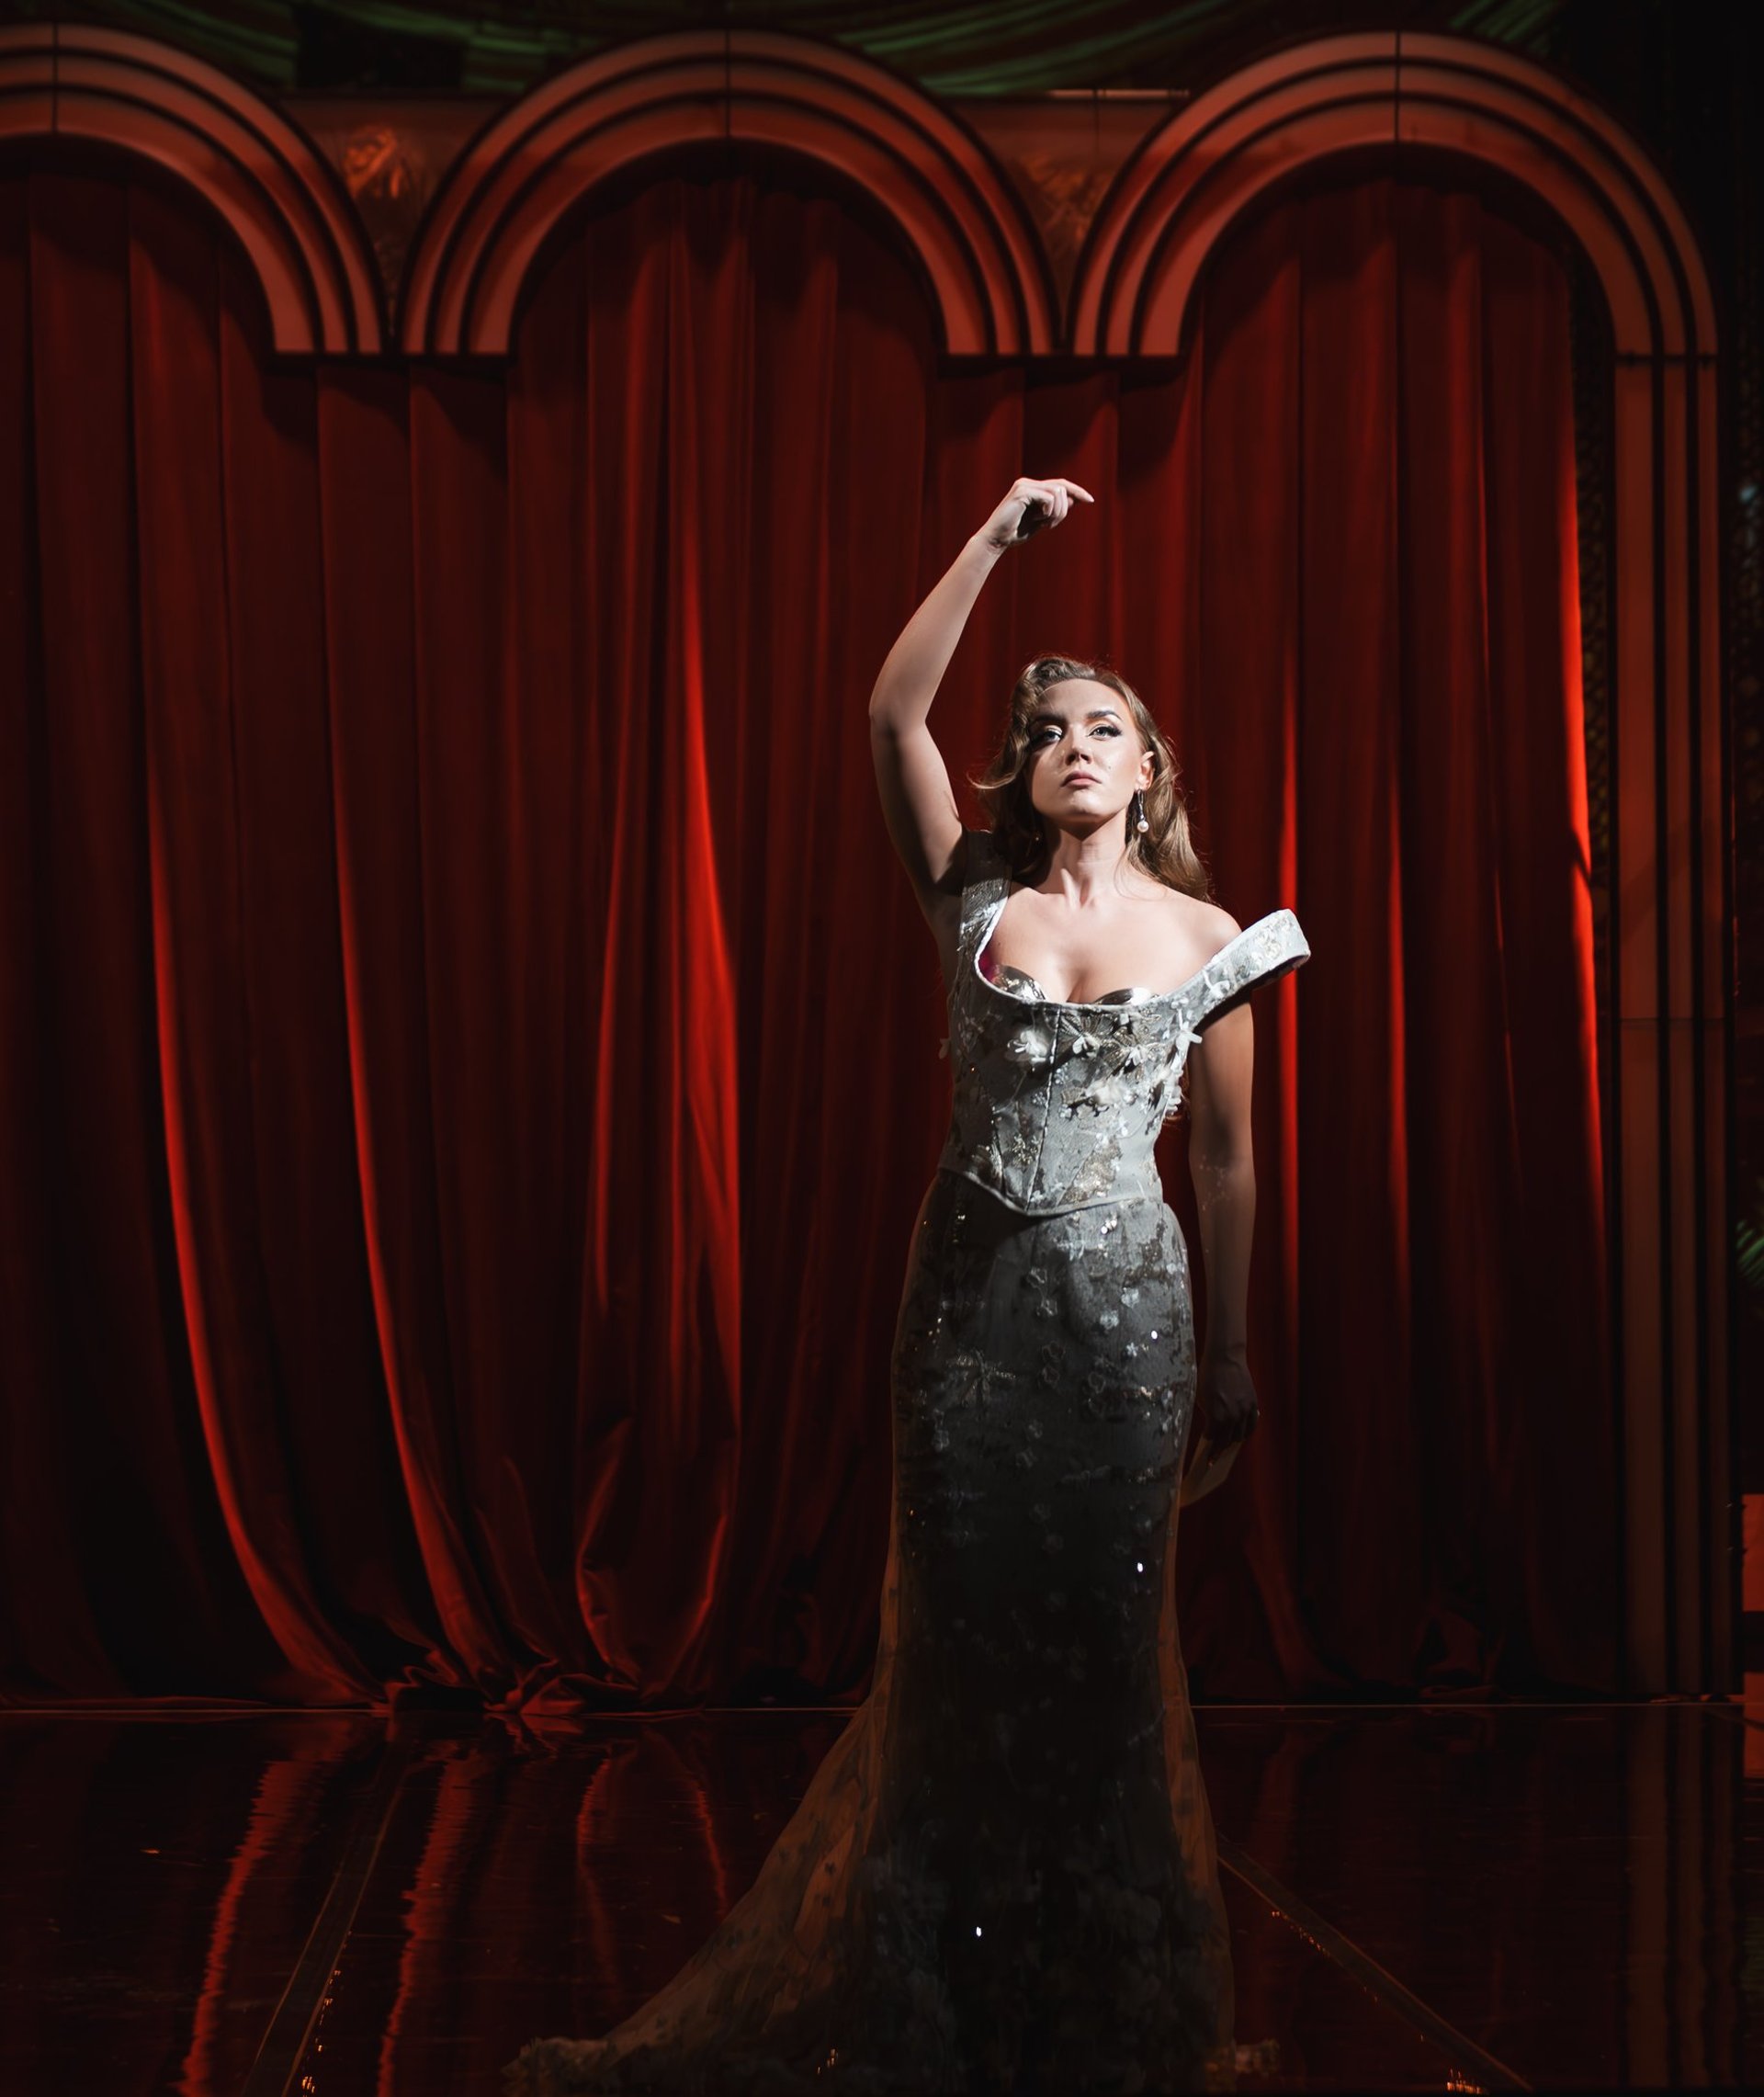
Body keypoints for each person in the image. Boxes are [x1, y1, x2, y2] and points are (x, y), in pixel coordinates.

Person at [505, 476, 1310, 2094]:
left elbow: (1226, 1159)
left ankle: (1105, 2019)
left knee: (1103, 1656)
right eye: (1049, 729)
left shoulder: (1214, 932)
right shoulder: (972, 894)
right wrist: (996, 534)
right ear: (1022, 765)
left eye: (1105, 727)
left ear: (1148, 766)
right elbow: (890, 716)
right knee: (954, 1652)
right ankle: (935, 2013)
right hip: (967, 1320)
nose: (1076, 745)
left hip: (1128, 1323)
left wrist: (1231, 1347)